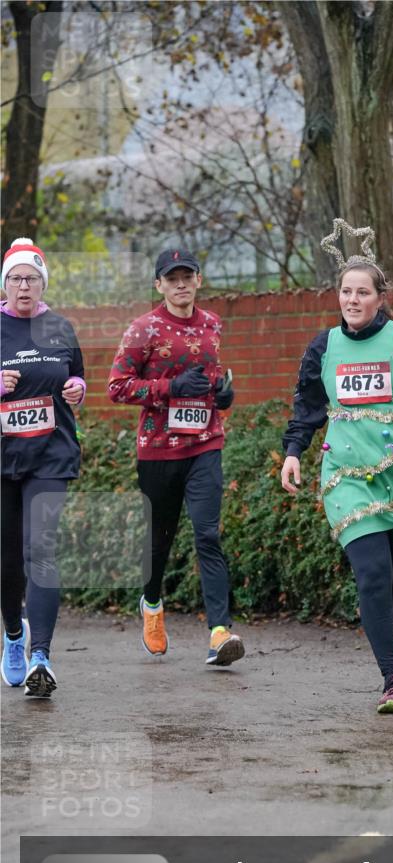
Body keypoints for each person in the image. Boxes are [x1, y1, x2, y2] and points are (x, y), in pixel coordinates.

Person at [281, 220, 393, 714]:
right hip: (348, 476)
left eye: (362, 292)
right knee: (372, 575)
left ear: (380, 297)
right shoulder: (324, 348)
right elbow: (307, 406)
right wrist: (294, 451)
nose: (352, 300)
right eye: (345, 291)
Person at [108, 248, 244, 667]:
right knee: (160, 540)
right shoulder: (142, 330)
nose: (181, 284)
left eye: (188, 276)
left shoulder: (213, 324)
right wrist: (168, 388)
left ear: (199, 281)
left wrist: (223, 395)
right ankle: (151, 604)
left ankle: (219, 632)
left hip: (206, 442)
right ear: (159, 285)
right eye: (172, 278)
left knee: (208, 535)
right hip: (158, 450)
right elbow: (117, 387)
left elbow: (214, 377)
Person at [1, 237, 86, 697]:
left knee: (42, 551)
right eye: (15, 278)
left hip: (50, 456)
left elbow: (76, 375)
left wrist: (75, 387)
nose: (24, 286)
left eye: (32, 278)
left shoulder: (60, 327)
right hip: (2, 459)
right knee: (7, 560)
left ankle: (41, 656)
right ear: (5, 285)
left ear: (43, 282)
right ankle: (14, 635)